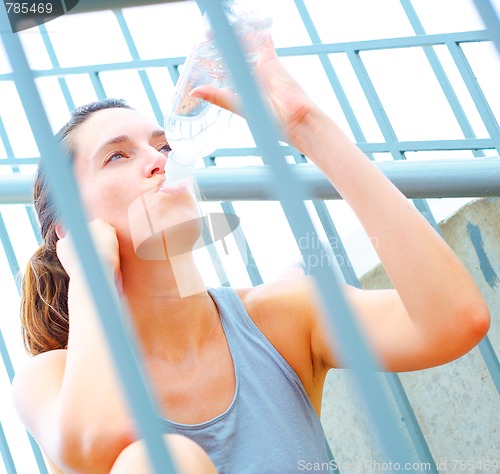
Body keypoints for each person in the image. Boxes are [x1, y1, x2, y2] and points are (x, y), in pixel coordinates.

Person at [12, 37, 490, 474]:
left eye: (163, 144)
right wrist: (92, 277)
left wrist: (306, 125)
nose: (159, 159)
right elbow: (99, 443)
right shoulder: (51, 379)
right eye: (118, 156)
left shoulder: (280, 317)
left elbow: (454, 320)